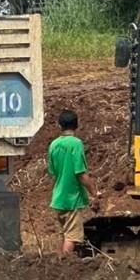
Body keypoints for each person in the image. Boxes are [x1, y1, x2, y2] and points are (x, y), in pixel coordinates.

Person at [47, 109, 99, 257]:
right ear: (76, 125)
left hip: (58, 198)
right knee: (72, 237)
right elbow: (81, 174)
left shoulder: (53, 145)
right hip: (71, 200)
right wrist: (94, 193)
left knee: (63, 235)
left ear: (60, 126)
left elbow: (53, 173)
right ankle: (65, 267)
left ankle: (58, 263)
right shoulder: (76, 144)